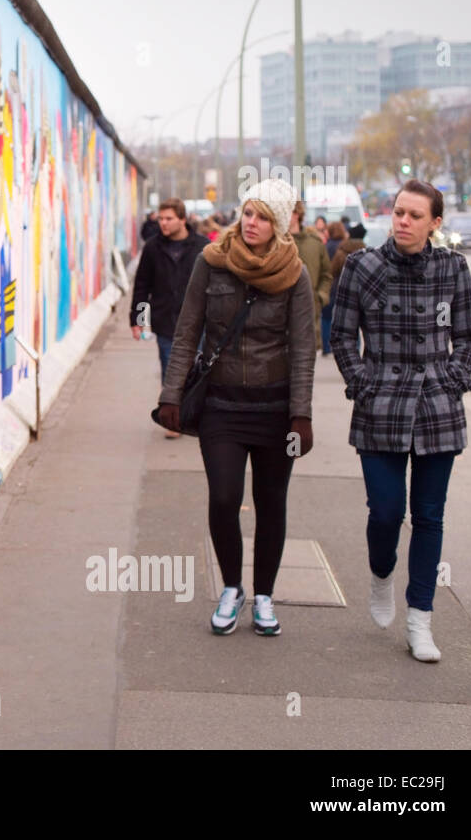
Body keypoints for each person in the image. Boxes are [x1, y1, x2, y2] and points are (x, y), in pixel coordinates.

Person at [329, 179, 471, 662]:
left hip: (437, 407)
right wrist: (363, 383)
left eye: (415, 215)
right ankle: (381, 574)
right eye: (398, 212)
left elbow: (469, 338)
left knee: (430, 517)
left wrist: (453, 379)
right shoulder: (363, 266)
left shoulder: (453, 268)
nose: (403, 221)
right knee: (387, 512)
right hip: (381, 406)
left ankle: (421, 620)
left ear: (435, 223)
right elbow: (341, 335)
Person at [158, 179, 316, 637]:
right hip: (221, 406)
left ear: (279, 224)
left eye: (264, 217)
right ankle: (232, 586)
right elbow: (187, 332)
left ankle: (263, 593)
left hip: (274, 407)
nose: (252, 223)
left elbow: (304, 347)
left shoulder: (295, 274)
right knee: (225, 498)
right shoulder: (211, 263)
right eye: (248, 212)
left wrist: (300, 413)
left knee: (271, 503)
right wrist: (171, 395)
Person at [130, 197, 208, 438]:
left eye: (169, 219)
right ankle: (174, 418)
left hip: (200, 321)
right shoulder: (153, 248)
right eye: (161, 218)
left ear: (182, 219)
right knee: (169, 368)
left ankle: (197, 414)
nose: (163, 223)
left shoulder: (203, 247)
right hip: (165, 319)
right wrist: (138, 320)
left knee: (199, 368)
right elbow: (142, 285)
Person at [290, 200, 332, 343]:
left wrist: (320, 297)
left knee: (307, 358)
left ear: (297, 214)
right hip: (280, 315)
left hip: (310, 312)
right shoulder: (275, 241)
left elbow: (326, 275)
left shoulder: (315, 243)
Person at [320, 222, 348, 354]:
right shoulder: (345, 246)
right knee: (343, 320)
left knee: (326, 318)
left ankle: (326, 347)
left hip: (330, 286)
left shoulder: (325, 247)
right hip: (343, 286)